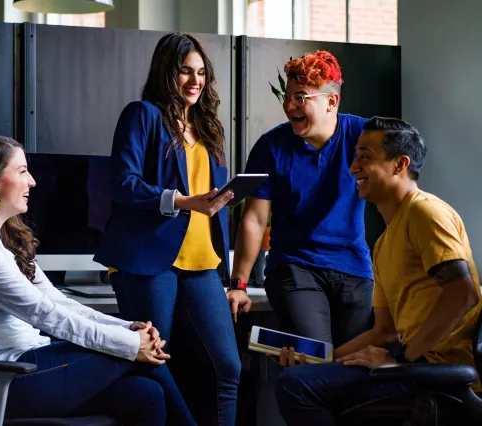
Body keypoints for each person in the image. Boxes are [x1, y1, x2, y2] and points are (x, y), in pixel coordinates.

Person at [0, 135, 196, 426]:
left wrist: (126, 328)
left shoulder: (5, 240)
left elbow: (58, 301)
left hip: (28, 367)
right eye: (22, 171)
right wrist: (132, 343)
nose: (32, 181)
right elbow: (43, 313)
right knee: (132, 353)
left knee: (145, 395)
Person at [274, 117, 482, 426]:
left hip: (437, 376)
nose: (353, 167)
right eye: (355, 155)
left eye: (365, 156)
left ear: (400, 164)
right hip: (412, 367)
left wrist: (401, 359)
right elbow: (384, 332)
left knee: (297, 387)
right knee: (299, 376)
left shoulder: (425, 211)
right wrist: (321, 360)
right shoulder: (383, 243)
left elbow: (462, 293)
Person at [93, 33, 241, 426]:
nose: (195, 81)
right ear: (166, 72)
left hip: (202, 261)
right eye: (185, 72)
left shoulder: (208, 127)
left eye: (201, 73)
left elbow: (205, 197)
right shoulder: (142, 115)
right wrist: (182, 200)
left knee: (227, 367)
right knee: (153, 362)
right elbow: (122, 183)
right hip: (148, 261)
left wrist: (222, 198)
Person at [228, 50, 373, 347]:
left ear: (331, 102)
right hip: (295, 268)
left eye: (301, 97)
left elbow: (401, 177)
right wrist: (238, 285)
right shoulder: (271, 147)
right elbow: (254, 220)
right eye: (288, 96)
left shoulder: (363, 136)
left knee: (354, 367)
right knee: (316, 356)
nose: (289, 106)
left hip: (354, 268)